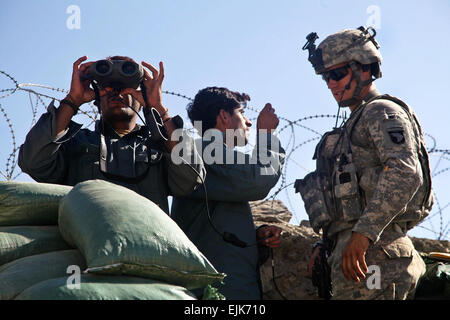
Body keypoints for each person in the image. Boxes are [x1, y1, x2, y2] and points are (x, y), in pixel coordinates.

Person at [297, 27, 433, 300]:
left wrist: (362, 235)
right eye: (327, 78)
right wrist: (327, 242)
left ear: (364, 68)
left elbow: (404, 172)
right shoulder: (354, 121)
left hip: (375, 254)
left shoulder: (381, 110)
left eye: (338, 74)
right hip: (357, 254)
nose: (332, 84)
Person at [18, 56, 205, 213]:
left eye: (125, 87)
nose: (117, 93)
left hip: (147, 250)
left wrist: (158, 107)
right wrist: (72, 100)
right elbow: (33, 161)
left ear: (141, 99)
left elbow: (190, 177)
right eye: (108, 88)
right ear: (97, 100)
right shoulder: (74, 142)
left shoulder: (160, 146)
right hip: (86, 247)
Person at [171, 87, 285, 299]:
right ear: (224, 116)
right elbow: (259, 178)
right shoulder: (206, 149)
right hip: (218, 290)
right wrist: (267, 135)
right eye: (242, 113)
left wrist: (254, 235)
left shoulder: (208, 153)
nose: (248, 122)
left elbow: (217, 217)